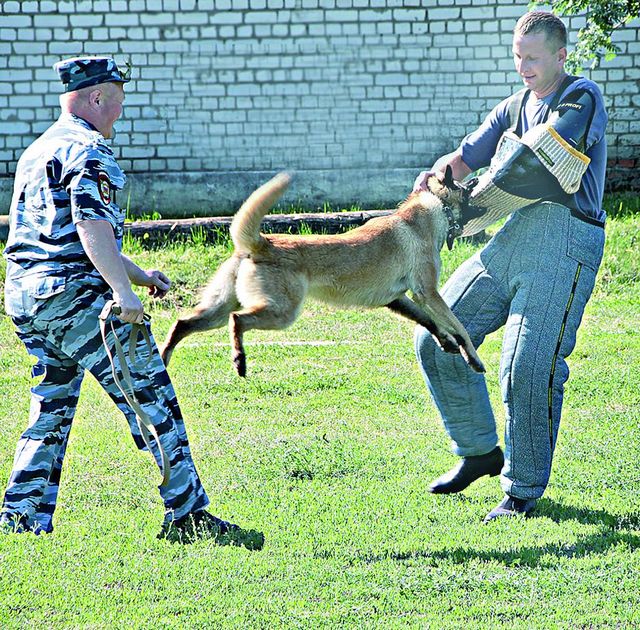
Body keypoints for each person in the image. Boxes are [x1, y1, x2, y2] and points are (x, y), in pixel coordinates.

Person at [0, 56, 263, 548]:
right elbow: (89, 227)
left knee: (51, 404)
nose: (120, 111)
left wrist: (141, 276)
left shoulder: (38, 151)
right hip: (76, 298)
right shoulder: (90, 151)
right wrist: (122, 295)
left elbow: (57, 235)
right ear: (97, 97)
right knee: (153, 396)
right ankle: (188, 517)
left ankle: (22, 515)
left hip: (26, 297)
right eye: (117, 100)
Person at [412, 11, 607, 522]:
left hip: (565, 238)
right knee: (437, 330)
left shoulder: (581, 98)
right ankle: (478, 449)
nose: (522, 67)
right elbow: (465, 156)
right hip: (514, 237)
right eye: (517, 56)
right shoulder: (513, 105)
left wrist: (468, 204)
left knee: (527, 366)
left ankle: (521, 490)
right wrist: (434, 180)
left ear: (561, 57)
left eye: (533, 58)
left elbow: (534, 165)